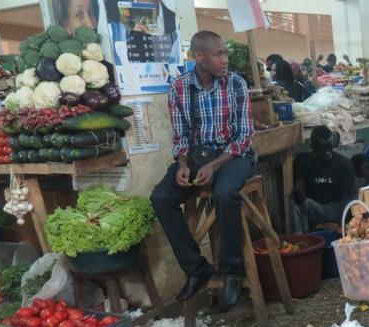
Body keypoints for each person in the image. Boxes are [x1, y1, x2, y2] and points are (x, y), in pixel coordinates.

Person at [150, 31, 255, 311]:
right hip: (197, 156)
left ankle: (233, 270)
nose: (225, 60)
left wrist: (214, 164)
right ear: (199, 56)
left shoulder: (236, 84)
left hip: (233, 155)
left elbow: (244, 136)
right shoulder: (179, 88)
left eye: (225, 53)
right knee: (161, 198)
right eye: (219, 54)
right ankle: (197, 269)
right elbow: (181, 136)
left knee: (224, 193)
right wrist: (183, 165)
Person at [292, 126, 357, 233]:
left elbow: (347, 197)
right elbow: (299, 184)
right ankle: (301, 240)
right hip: (315, 207)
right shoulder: (303, 161)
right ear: (312, 147)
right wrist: (299, 190)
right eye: (322, 149)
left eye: (330, 148)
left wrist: (341, 225)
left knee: (354, 200)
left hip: (336, 208)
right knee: (295, 205)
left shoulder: (344, 164)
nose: (328, 153)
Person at [104, 0, 181, 65]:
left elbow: (175, 62)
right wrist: (134, 39)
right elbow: (118, 58)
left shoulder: (174, 19)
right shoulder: (115, 14)